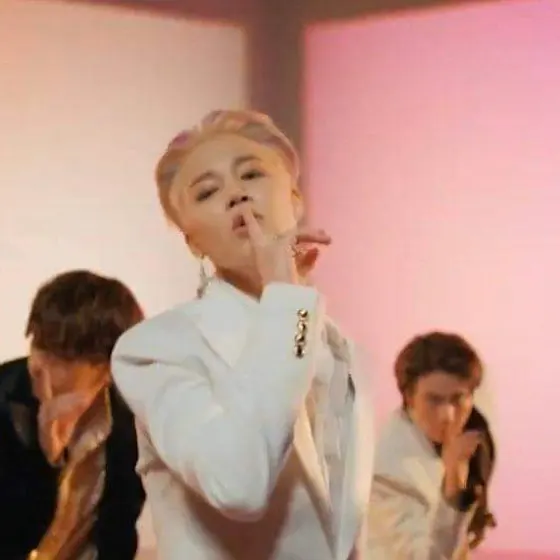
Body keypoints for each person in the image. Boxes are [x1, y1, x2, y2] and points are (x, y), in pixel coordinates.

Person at [111, 109, 376, 559]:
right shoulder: (154, 349)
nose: (236, 194)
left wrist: (292, 302)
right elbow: (238, 484)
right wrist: (286, 298)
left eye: (251, 174)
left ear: (294, 200)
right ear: (192, 241)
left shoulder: (340, 348)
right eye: (207, 192)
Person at [0, 270, 146, 560]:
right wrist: (47, 460)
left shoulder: (129, 419)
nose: (38, 363)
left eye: (62, 356)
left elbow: (119, 530)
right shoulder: (6, 399)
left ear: (106, 368)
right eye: (39, 343)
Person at [368, 331, 497, 558]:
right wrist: (453, 485)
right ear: (409, 398)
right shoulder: (388, 473)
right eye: (433, 400)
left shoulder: (474, 430)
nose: (447, 415)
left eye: (458, 399)